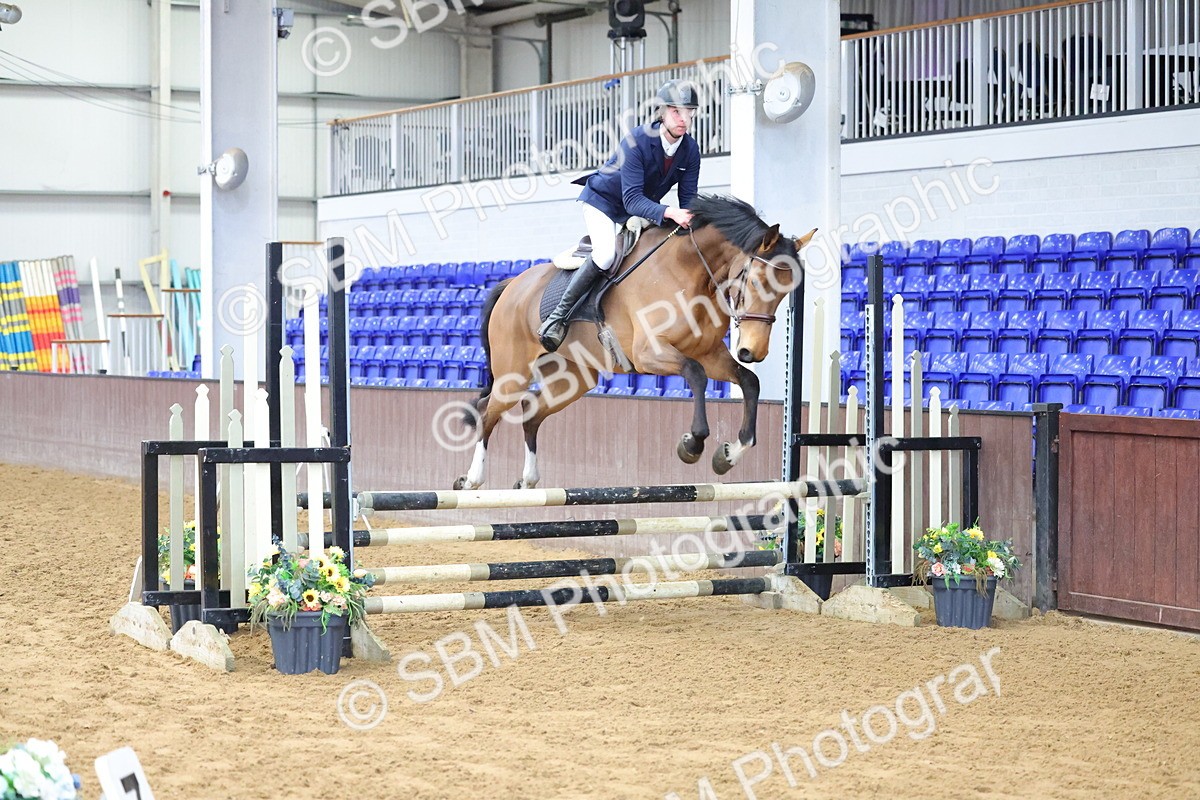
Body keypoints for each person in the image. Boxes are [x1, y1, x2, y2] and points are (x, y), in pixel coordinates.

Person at [537, 78, 703, 352]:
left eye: (689, 113)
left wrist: (694, 219)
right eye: (676, 111)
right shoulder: (637, 141)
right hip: (604, 203)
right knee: (605, 255)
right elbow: (632, 198)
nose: (684, 119)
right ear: (662, 113)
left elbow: (689, 199)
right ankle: (557, 318)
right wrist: (671, 212)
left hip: (638, 209)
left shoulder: (690, 150)